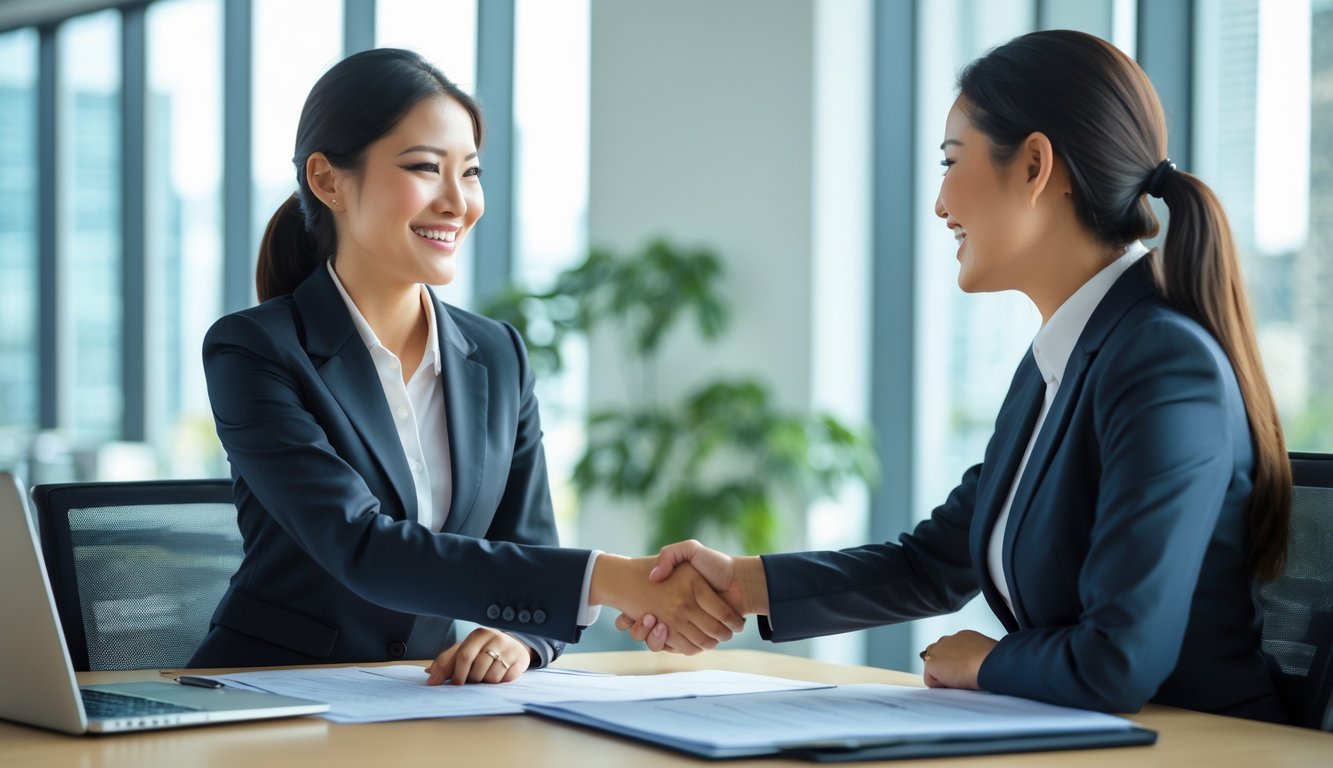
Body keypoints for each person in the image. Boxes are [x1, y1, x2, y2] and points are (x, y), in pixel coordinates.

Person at [618, 30, 1290, 722]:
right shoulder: (1058, 363)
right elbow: (930, 566)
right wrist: (741, 583)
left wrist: (985, 661)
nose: (940, 204)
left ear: (1033, 165)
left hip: (1205, 747)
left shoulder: (1159, 363)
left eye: (950, 162)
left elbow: (1116, 660)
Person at [190, 48, 741, 684]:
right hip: (263, 698)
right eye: (425, 168)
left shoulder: (498, 355)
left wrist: (518, 636)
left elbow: (531, 548)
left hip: (424, 699)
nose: (458, 202)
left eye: (471, 173)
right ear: (329, 180)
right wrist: (617, 581)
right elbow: (362, 547)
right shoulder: (254, 350)